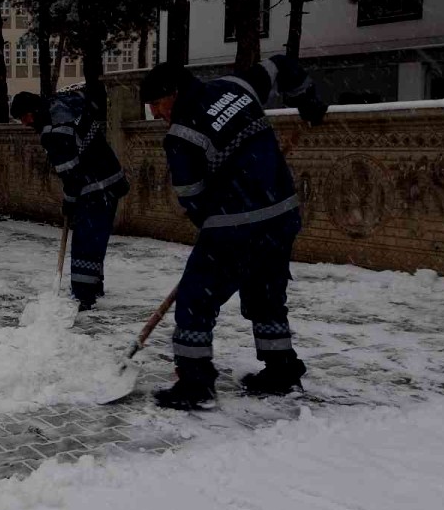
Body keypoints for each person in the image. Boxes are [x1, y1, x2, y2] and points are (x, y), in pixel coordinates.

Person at [139, 55, 327, 410]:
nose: (156, 113)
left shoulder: (183, 134)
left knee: (196, 298)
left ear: (174, 93)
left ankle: (195, 383)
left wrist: (215, 228)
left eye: (157, 104)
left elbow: (192, 197)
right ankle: (281, 370)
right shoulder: (235, 87)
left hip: (234, 226)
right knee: (265, 295)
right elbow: (281, 65)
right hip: (281, 214)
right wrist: (307, 101)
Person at [10, 83, 129, 312]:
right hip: (110, 178)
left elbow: (71, 173)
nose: (24, 123)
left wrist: (69, 201)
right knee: (94, 240)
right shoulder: (62, 106)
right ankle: (93, 288)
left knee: (85, 241)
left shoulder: (54, 130)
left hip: (94, 186)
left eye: (24, 117)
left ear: (33, 110)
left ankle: (83, 297)